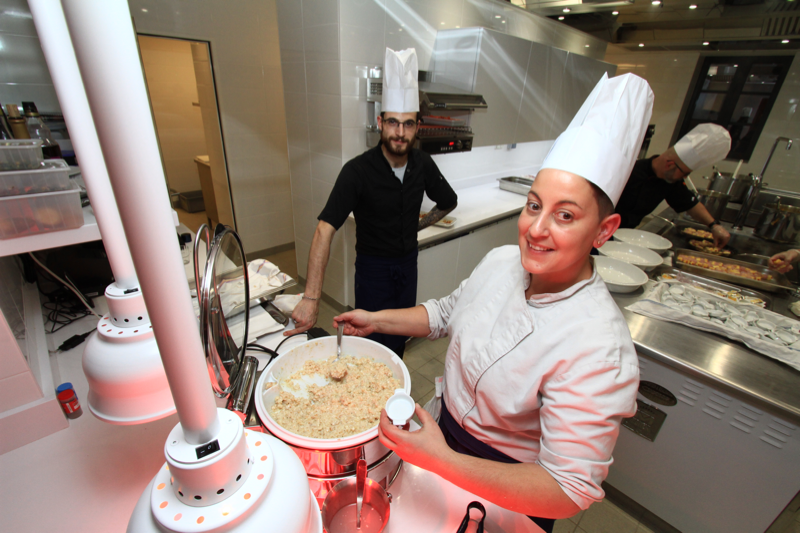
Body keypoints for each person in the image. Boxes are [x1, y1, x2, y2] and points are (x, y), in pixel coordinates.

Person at [334, 72, 652, 532]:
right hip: (438, 440)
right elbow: (444, 314)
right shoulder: (503, 261)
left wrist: (444, 460)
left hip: (508, 493)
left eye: (565, 215)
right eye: (534, 205)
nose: (537, 229)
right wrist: (375, 319)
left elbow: (567, 489)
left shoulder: (599, 347)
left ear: (604, 230)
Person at [287, 48, 457, 358]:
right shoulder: (357, 171)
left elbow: (448, 202)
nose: (400, 133)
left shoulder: (423, 164)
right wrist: (311, 298)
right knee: (371, 345)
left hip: (407, 269)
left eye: (408, 124)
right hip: (373, 274)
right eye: (393, 122)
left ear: (418, 126)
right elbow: (324, 229)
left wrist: (417, 225)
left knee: (399, 341)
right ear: (380, 122)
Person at [615, 123, 733, 249]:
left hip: (623, 238)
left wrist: (714, 225)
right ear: (670, 165)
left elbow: (690, 204)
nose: (685, 177)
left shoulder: (670, 182)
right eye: (685, 173)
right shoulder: (628, 171)